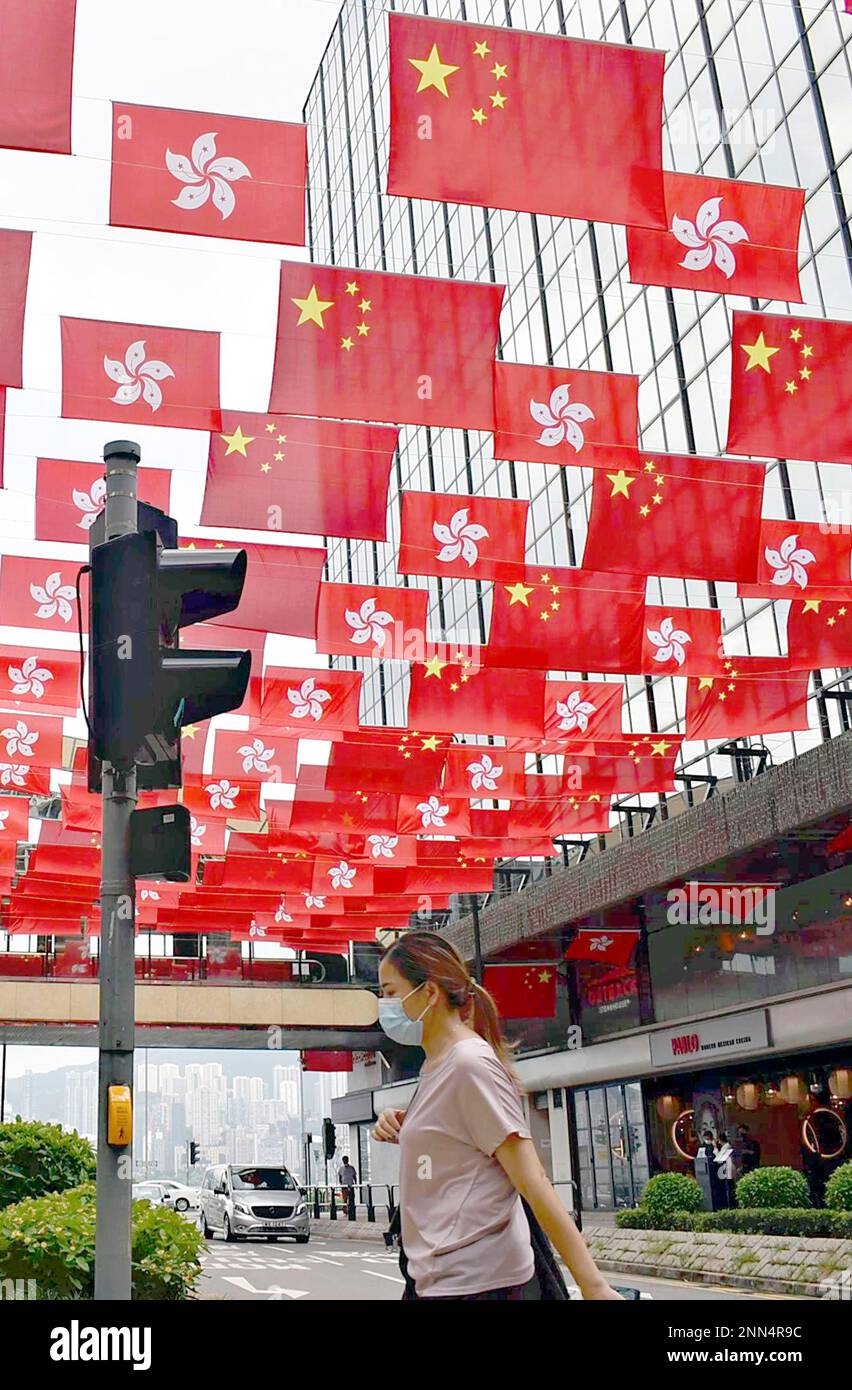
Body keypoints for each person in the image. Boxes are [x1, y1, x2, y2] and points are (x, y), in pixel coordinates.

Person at [372, 930, 622, 1301]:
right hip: (440, 1278)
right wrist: (406, 1124)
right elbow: (456, 1138)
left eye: (390, 993)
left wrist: (593, 1286)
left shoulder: (469, 1064)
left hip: (479, 1282)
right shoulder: (437, 1066)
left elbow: (532, 1178)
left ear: (428, 993)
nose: (384, 1006)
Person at [715, 1132, 736, 1208]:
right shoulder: (726, 1146)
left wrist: (716, 1150)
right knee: (730, 1186)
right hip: (727, 1169)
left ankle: (731, 1205)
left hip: (728, 1169)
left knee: (730, 1187)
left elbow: (719, 1159)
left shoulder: (726, 1147)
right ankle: (731, 1204)